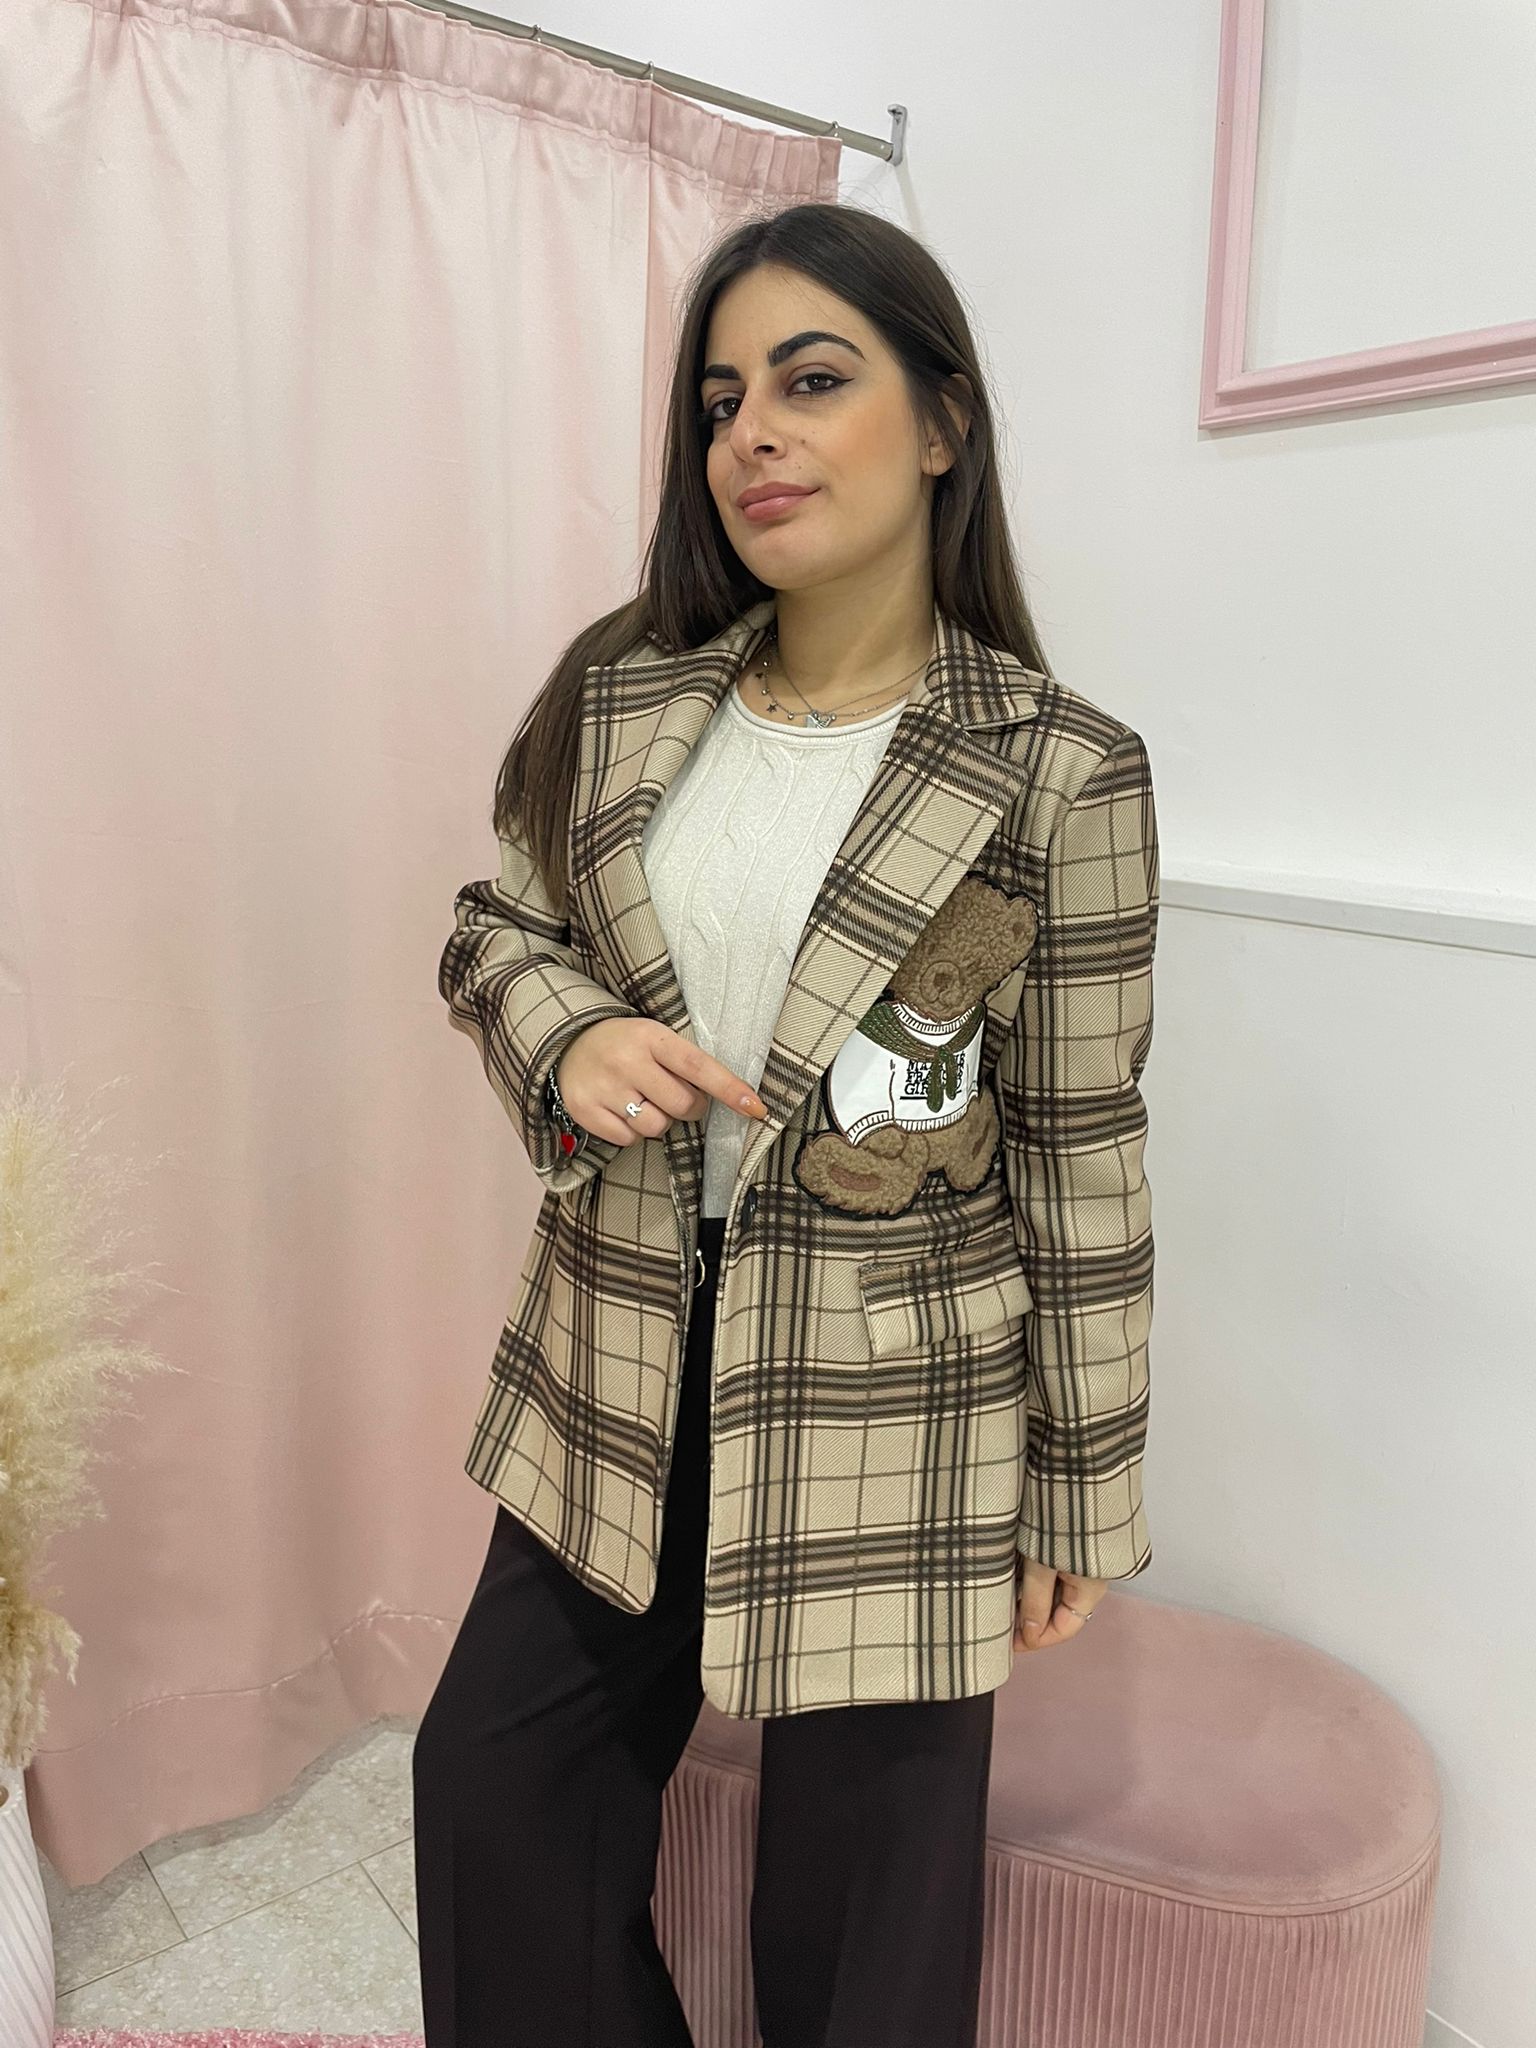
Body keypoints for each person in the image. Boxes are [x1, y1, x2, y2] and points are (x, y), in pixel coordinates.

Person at [413, 200, 1159, 2048]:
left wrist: (1084, 1482)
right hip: (615, 1352)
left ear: (942, 421)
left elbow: (1082, 1143)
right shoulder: (620, 695)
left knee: (861, 1932)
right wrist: (570, 1033)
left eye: (812, 381)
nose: (752, 432)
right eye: (722, 398)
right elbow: (495, 929)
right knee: (495, 1802)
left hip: (896, 1400)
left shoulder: (1059, 767)